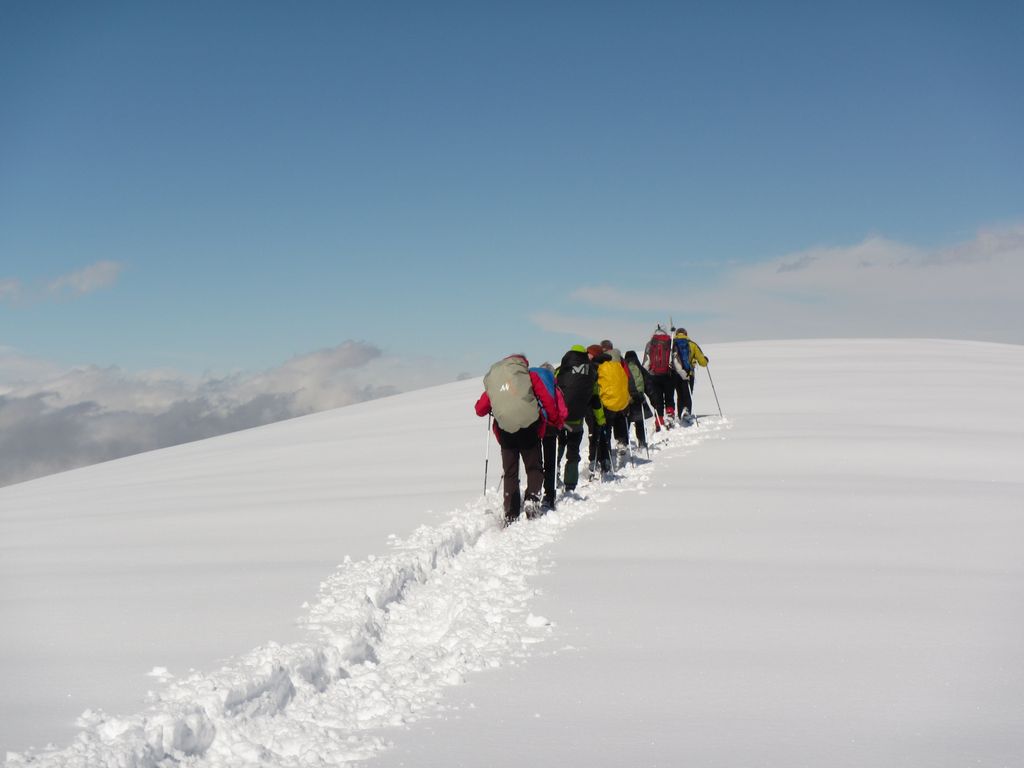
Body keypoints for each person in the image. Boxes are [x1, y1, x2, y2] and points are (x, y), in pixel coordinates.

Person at [475, 354, 562, 525]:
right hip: (529, 427)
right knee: (534, 467)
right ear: (522, 363)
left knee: (510, 472)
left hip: (505, 431)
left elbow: (480, 409)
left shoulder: (497, 381)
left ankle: (511, 511)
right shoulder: (529, 376)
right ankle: (532, 501)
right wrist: (553, 420)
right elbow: (546, 399)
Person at [556, 345, 601, 495]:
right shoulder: (592, 373)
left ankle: (554, 471)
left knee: (560, 444)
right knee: (573, 451)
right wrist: (600, 420)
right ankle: (570, 485)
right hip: (577, 419)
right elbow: (595, 399)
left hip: (561, 418)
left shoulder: (561, 369)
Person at [529, 362, 568, 512]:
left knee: (536, 462)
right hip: (551, 428)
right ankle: (549, 496)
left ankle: (533, 494)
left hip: (534, 426)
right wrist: (558, 423)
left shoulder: (531, 385)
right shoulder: (554, 387)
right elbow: (563, 411)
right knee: (550, 463)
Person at [592, 344, 631, 470]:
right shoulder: (618, 364)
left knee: (605, 430)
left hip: (607, 404)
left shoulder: (598, 366)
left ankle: (606, 458)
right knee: (619, 417)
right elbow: (627, 378)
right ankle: (621, 441)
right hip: (622, 402)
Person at [671, 327, 709, 422]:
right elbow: (703, 362)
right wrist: (706, 360)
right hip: (689, 374)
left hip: (675, 374)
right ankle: (687, 414)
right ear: (686, 334)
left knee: (680, 395)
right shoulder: (692, 344)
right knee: (688, 394)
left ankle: (680, 416)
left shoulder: (672, 344)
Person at [642, 325, 674, 431]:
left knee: (658, 399)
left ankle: (659, 420)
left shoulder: (650, 343)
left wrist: (644, 375)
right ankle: (670, 415)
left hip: (654, 375)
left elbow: (646, 362)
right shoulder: (670, 342)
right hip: (668, 374)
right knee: (669, 396)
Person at [623, 350, 651, 450]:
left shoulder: (623, 368)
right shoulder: (639, 368)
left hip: (627, 398)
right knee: (639, 421)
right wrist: (653, 399)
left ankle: (624, 443)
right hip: (639, 398)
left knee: (626, 421)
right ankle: (642, 441)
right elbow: (648, 384)